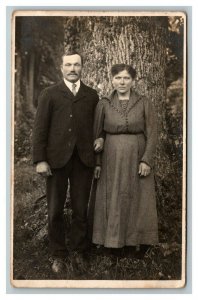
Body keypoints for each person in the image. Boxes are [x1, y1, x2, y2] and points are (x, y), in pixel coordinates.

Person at [32, 51, 99, 273]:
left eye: (77, 65)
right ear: (62, 68)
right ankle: (58, 254)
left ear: (82, 68)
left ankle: (80, 252)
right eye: (68, 65)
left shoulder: (91, 95)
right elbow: (40, 129)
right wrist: (40, 160)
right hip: (55, 161)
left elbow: (96, 128)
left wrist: (96, 155)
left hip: (83, 160)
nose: (72, 69)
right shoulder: (49, 94)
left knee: (81, 208)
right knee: (55, 210)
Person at [93, 64, 158, 257]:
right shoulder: (104, 103)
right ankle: (111, 244)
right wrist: (97, 162)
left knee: (137, 198)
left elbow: (153, 133)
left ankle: (135, 244)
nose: (122, 82)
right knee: (113, 197)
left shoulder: (144, 102)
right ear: (111, 80)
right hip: (110, 159)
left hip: (137, 157)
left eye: (126, 78)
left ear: (133, 81)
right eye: (118, 78)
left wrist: (146, 160)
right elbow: (96, 134)